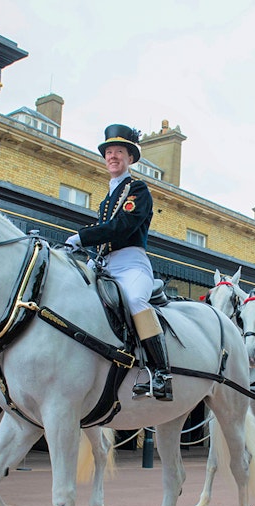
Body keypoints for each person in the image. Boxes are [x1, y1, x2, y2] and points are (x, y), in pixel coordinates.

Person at [65, 124, 171, 401]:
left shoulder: (138, 190)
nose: (112, 156)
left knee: (136, 301)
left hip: (130, 264)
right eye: (109, 152)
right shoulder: (106, 199)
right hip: (103, 265)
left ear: (130, 158)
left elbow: (123, 227)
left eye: (119, 152)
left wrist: (82, 236)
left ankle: (161, 372)